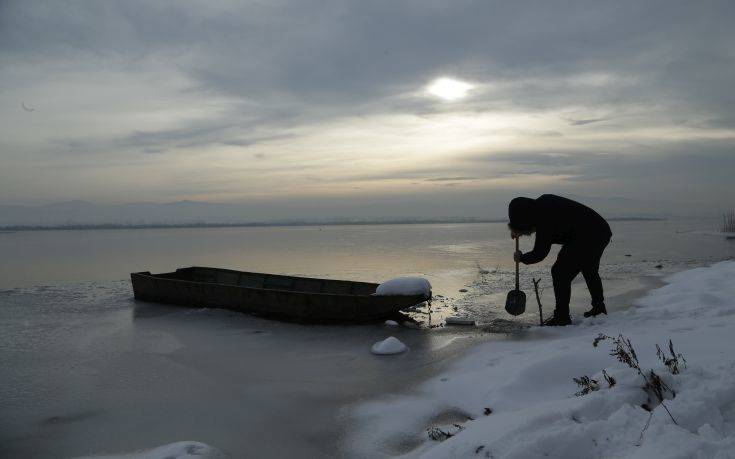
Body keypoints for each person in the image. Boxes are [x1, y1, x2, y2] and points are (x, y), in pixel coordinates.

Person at [508, 194, 612, 326]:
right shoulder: (543, 206)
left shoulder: (544, 217)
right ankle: (599, 307)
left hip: (589, 234)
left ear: (525, 217)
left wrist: (522, 258)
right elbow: (541, 230)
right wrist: (518, 230)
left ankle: (562, 317)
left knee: (560, 272)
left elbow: (540, 253)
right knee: (588, 268)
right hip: (599, 230)